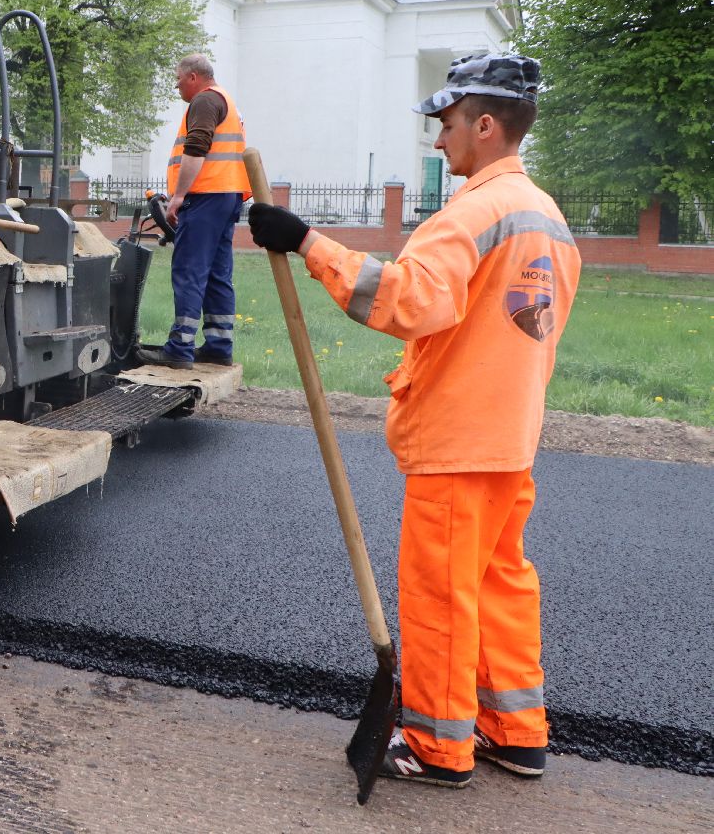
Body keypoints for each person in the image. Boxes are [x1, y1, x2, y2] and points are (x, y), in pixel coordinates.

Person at [247, 53, 578, 788]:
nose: (439, 138)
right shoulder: (547, 218)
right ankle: (517, 733)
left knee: (440, 599)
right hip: (510, 439)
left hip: (459, 440)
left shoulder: (473, 213)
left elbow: (406, 300)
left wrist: (305, 242)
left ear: (484, 126)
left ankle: (436, 746)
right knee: (499, 585)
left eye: (448, 122)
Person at [141, 54, 249, 370]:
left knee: (189, 270)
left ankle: (180, 348)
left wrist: (178, 197)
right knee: (217, 273)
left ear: (192, 77)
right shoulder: (227, 101)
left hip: (205, 197)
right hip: (227, 196)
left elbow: (197, 147)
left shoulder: (204, 101)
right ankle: (218, 346)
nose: (176, 86)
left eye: (178, 80)